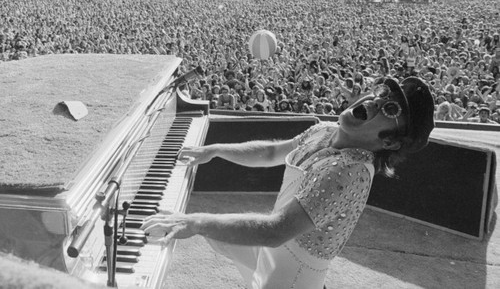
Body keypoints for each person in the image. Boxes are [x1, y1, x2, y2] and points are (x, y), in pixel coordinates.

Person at [142, 76, 435, 289]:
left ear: (390, 142)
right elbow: (271, 152)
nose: (376, 101)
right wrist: (216, 150)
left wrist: (194, 221)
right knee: (218, 233)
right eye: (381, 93)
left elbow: (275, 231)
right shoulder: (324, 130)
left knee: (210, 228)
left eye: (390, 109)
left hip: (293, 279)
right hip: (276, 255)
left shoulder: (350, 171)